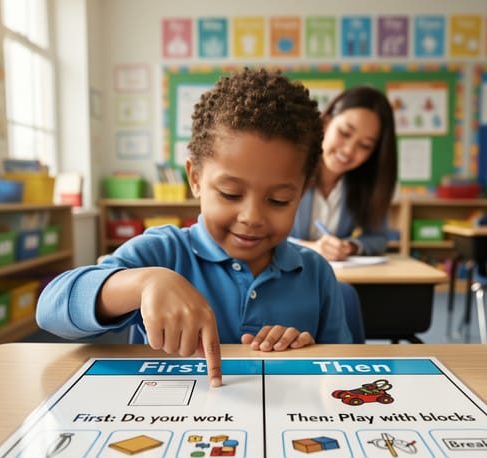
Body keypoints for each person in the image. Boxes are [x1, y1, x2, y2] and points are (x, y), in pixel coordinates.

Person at [36, 68, 352, 388]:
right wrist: (143, 283)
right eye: (230, 194)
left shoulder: (315, 273)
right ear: (196, 178)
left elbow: (347, 367)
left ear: (302, 192)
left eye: (279, 200)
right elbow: (51, 308)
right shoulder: (162, 254)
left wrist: (307, 354)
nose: (252, 216)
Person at [289, 86, 398, 261]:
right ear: (326, 124)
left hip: (335, 277)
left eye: (365, 145)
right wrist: (312, 248)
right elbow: (261, 233)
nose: (348, 151)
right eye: (345, 133)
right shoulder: (287, 170)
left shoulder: (365, 184)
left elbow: (379, 237)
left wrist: (350, 246)